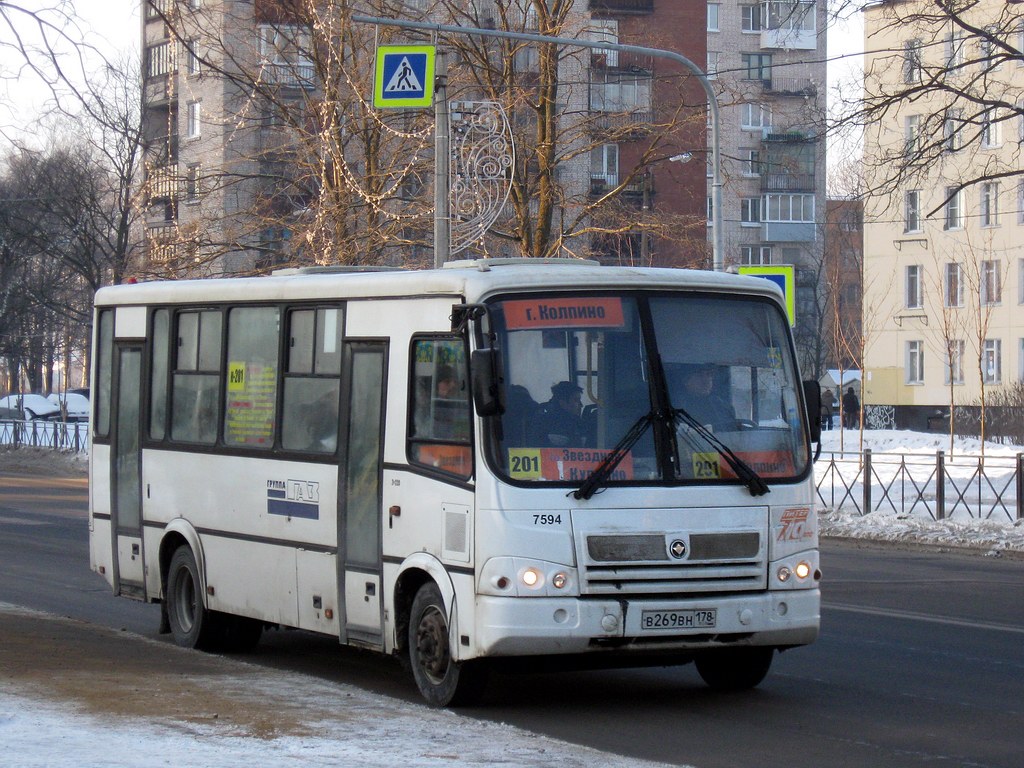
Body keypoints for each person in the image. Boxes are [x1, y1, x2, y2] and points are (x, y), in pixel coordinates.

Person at [676, 363, 736, 432]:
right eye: (699, 375)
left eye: (709, 374)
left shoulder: (723, 407)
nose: (706, 380)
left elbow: (731, 435)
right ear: (686, 380)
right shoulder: (676, 406)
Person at [538, 381, 584, 446]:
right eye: (576, 400)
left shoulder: (541, 417)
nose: (581, 405)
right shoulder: (557, 424)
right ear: (563, 402)